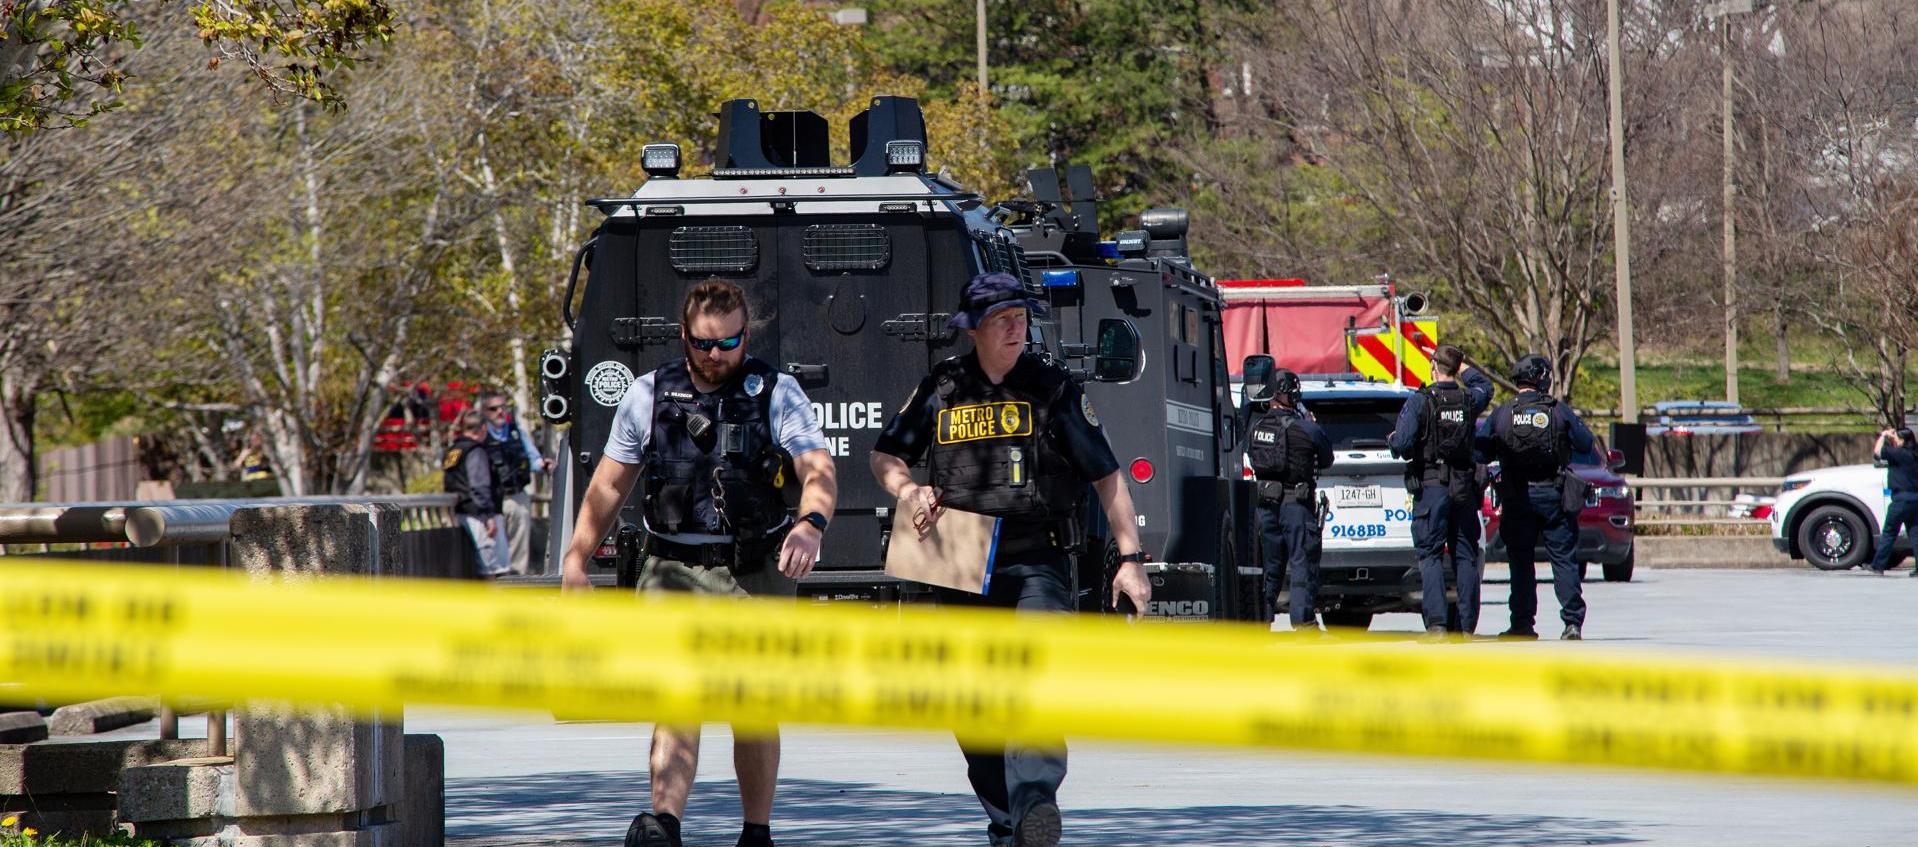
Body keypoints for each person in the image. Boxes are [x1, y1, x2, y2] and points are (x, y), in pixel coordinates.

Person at [869, 271, 1152, 847]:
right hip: (957, 557)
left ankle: (1035, 803)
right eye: (1001, 319)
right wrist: (907, 490)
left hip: (1037, 557)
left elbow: (1106, 476)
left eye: (1020, 317)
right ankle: (1010, 822)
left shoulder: (1052, 388)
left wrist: (1132, 558)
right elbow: (886, 456)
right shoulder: (942, 388)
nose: (1015, 327)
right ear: (973, 329)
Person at [559, 277, 837, 847]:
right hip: (672, 570)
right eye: (704, 344)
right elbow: (609, 486)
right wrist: (575, 559)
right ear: (684, 336)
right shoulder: (647, 394)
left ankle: (756, 832)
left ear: (745, 334)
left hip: (754, 572)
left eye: (729, 344)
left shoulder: (776, 392)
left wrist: (810, 525)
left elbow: (818, 470)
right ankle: (665, 826)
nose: (716, 356)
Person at [1477, 354, 1594, 640]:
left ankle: (1522, 624)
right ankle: (1572, 623)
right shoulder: (1557, 410)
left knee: (1520, 563)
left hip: (1517, 497)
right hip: (1554, 494)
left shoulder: (1503, 413)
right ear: (1542, 379)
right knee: (1563, 560)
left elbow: (1481, 451)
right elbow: (1586, 442)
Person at [1388, 345, 1494, 638]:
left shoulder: (1421, 401)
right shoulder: (1469, 399)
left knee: (1431, 555)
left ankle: (1436, 624)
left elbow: (1402, 445)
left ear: (1434, 367)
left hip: (1432, 485)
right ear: (1456, 369)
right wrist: (1461, 366)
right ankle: (1467, 626)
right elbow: (1486, 386)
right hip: (1463, 486)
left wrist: (1394, 439)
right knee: (1465, 554)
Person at [1246, 367, 1335, 632]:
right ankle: (1304, 623)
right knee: (1301, 564)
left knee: (1268, 568)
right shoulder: (1305, 428)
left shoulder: (1256, 426)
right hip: (1296, 505)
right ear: (1285, 394)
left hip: (1264, 506)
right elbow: (1327, 459)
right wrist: (1311, 422)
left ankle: (1262, 622)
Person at [479, 391, 552, 575]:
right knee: (493, 548)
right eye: (493, 409)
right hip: (493, 500)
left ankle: (517, 584)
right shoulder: (479, 434)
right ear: (484, 412)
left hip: (517, 496)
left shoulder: (516, 432)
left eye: (503, 407)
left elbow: (533, 459)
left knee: (519, 547)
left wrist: (544, 464)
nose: (500, 412)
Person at [444, 410, 510, 579]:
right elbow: (479, 485)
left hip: (463, 512)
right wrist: (488, 515)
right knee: (494, 569)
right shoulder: (476, 450)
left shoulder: (454, 450)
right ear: (482, 428)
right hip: (479, 515)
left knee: (485, 567)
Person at [1866, 427, 1918, 575]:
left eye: (1896, 437)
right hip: (1915, 499)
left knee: (1889, 533)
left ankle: (1878, 565)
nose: (1893, 438)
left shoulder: (1898, 453)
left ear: (1902, 440)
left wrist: (1883, 436)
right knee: (1915, 535)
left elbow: (1877, 453)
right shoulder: (1914, 453)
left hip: (1901, 500)